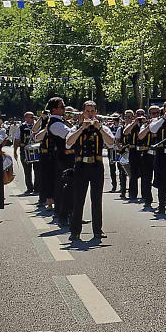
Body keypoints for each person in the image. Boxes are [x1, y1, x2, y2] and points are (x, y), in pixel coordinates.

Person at [64, 100, 118, 240]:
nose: (90, 113)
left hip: (96, 166)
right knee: (78, 199)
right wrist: (82, 128)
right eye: (87, 111)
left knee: (97, 199)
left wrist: (99, 128)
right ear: (83, 112)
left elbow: (111, 143)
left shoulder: (102, 128)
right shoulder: (76, 127)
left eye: (92, 111)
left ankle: (97, 230)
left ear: (96, 112)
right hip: (81, 166)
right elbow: (69, 143)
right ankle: (75, 231)